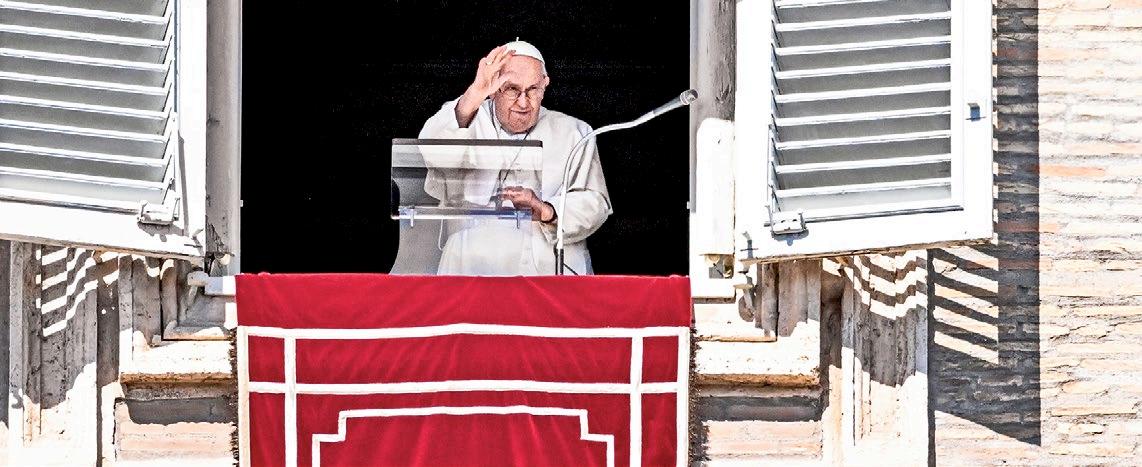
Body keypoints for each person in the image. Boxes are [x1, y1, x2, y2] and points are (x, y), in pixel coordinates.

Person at [419, 40, 611, 276]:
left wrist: (546, 211)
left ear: (545, 84)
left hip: (546, 268)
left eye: (533, 89)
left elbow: (595, 203)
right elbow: (430, 152)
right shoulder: (466, 116)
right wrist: (474, 94)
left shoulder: (574, 132)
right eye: (511, 89)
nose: (523, 102)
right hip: (471, 265)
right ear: (494, 88)